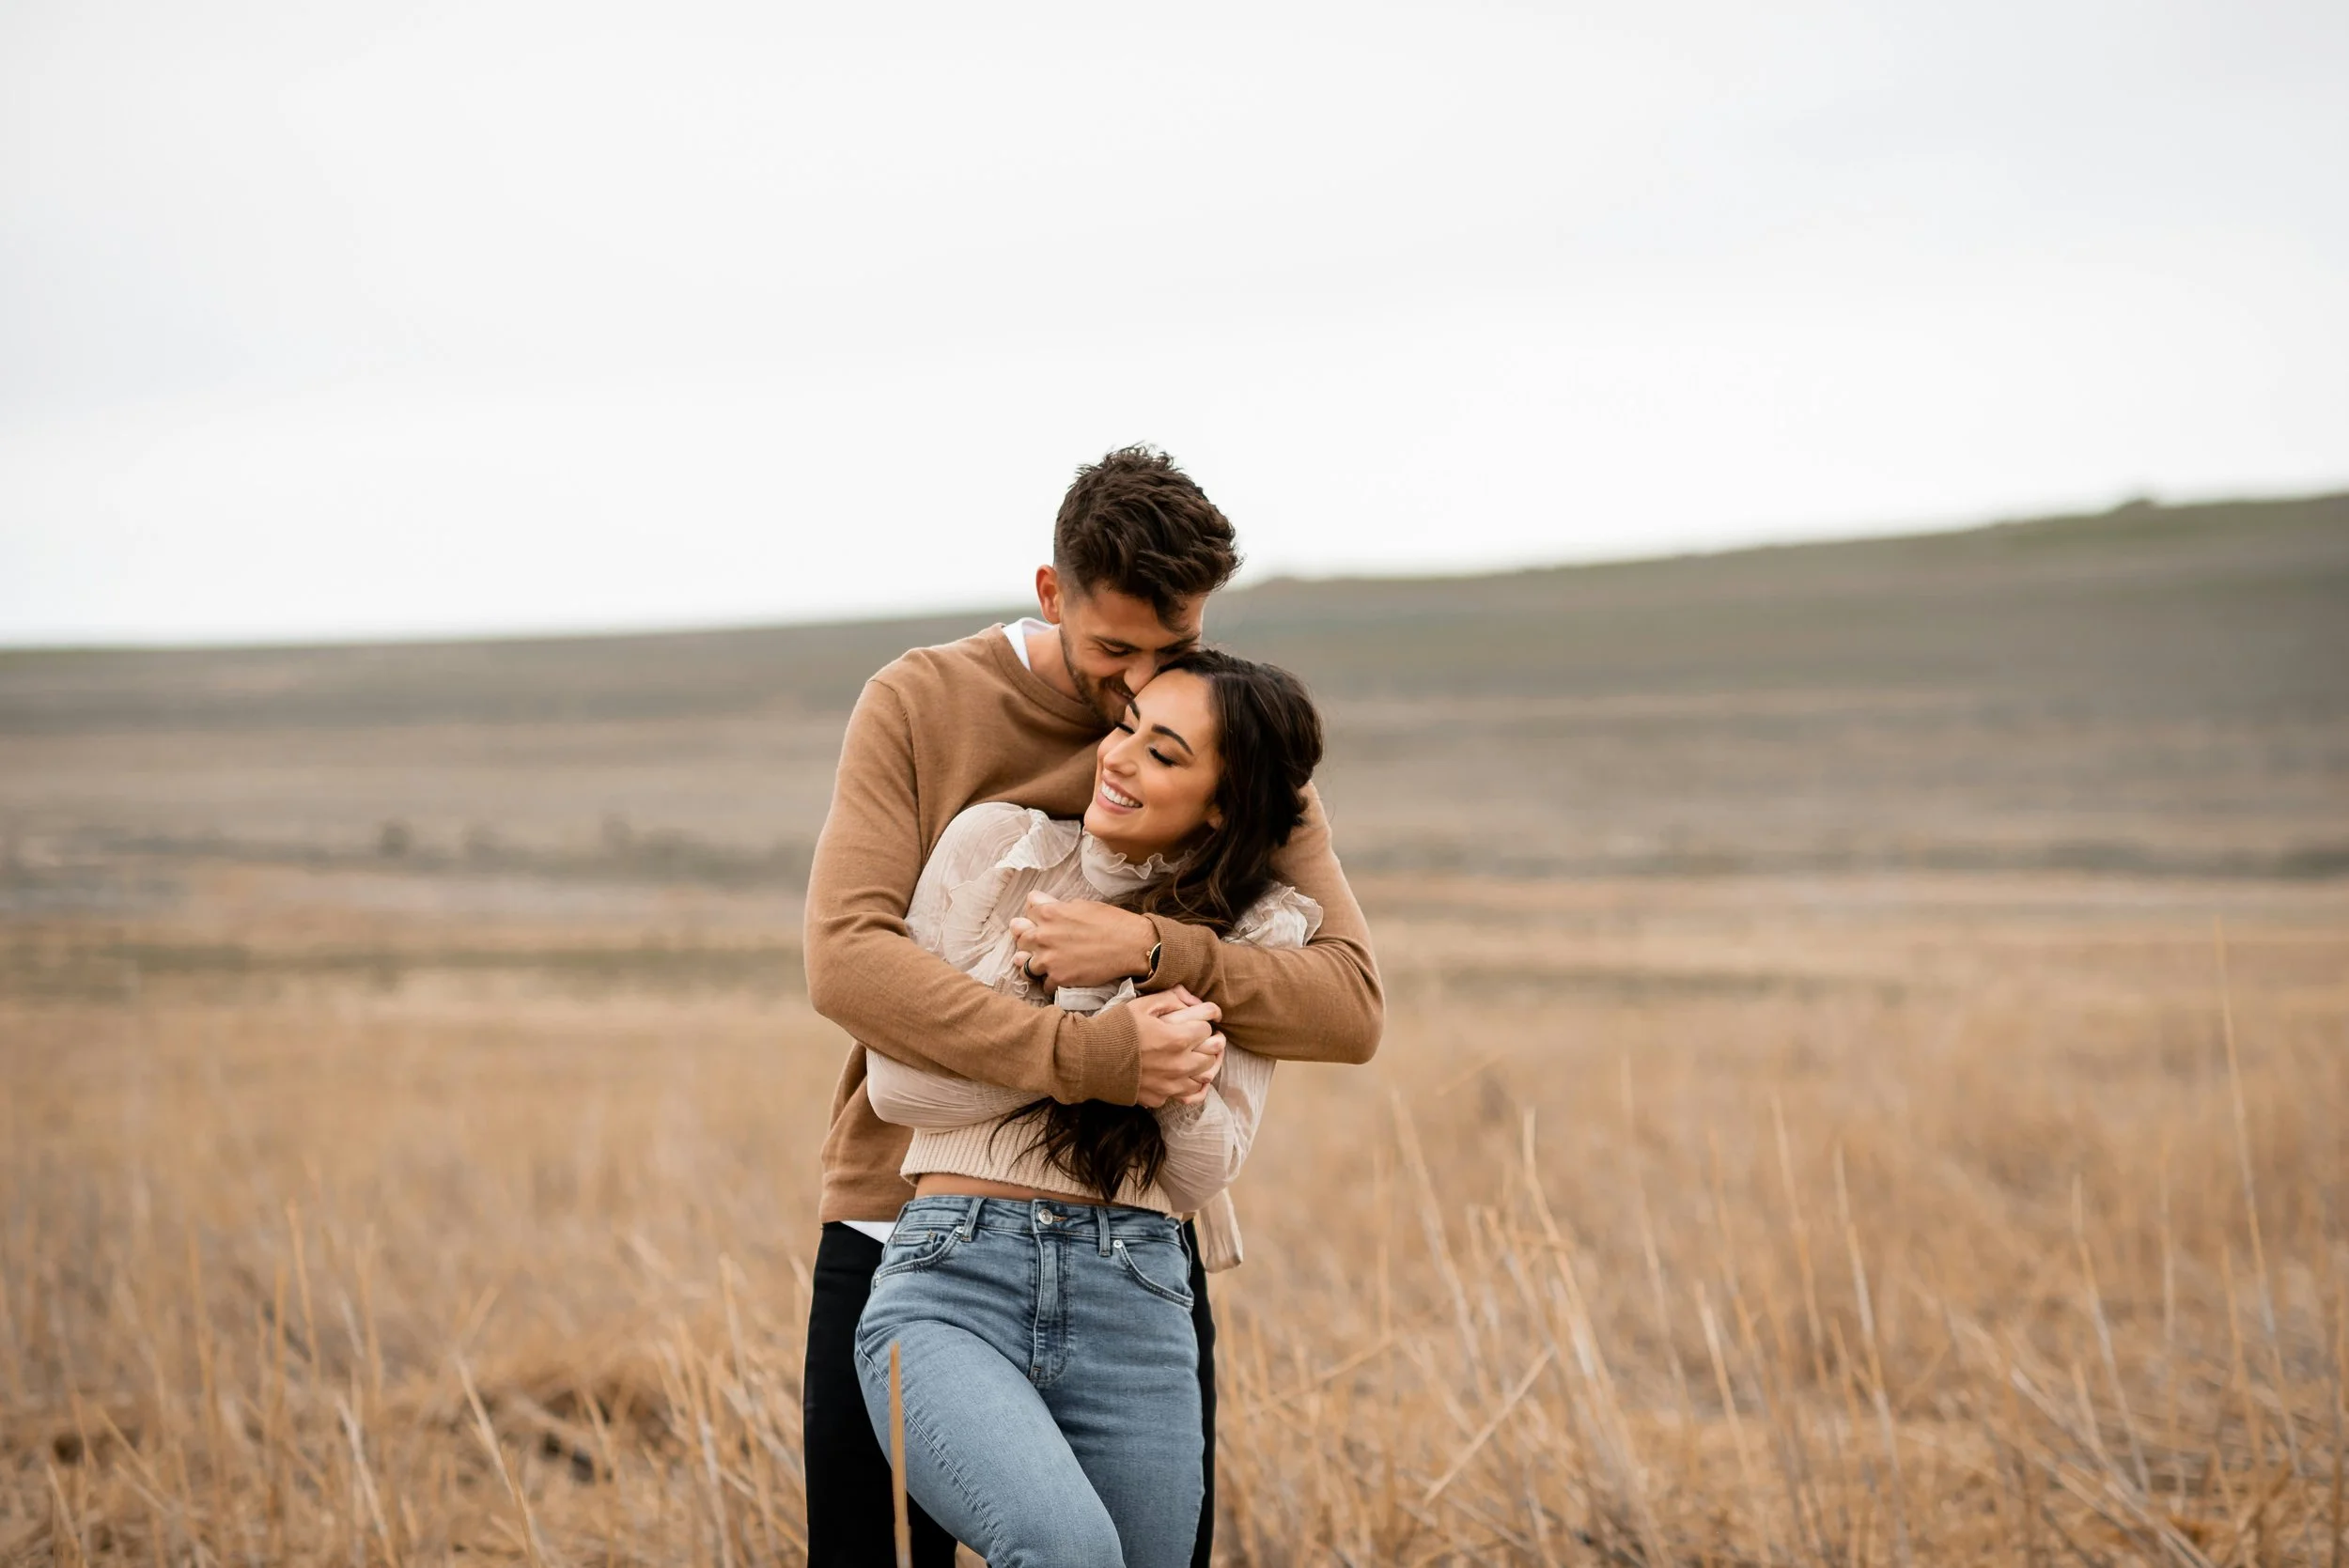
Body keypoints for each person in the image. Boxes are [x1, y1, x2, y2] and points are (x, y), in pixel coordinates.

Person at [800, 446, 1383, 1567]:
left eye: (1174, 652)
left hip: (1135, 1239)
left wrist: (1154, 947)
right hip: (904, 1211)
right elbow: (847, 964)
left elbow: (1347, 1003)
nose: (1136, 692)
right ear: (1051, 595)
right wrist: (1089, 1053)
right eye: (1115, 651)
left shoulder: (1229, 739)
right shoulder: (921, 703)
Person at [854, 648, 1323, 1566]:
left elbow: (1199, 1168)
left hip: (1138, 1299)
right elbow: (898, 1086)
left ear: (1223, 801)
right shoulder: (996, 851)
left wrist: (1134, 967)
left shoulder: (1253, 930)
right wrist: (1088, 1033)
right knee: (1065, 1551)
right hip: (953, 1278)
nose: (1117, 758)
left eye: (1164, 752)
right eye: (1127, 726)